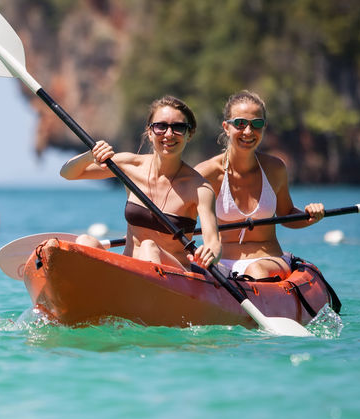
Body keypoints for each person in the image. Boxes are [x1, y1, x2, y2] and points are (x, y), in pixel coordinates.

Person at [60, 95, 221, 271]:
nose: (168, 134)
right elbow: (68, 173)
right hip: (129, 269)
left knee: (149, 247)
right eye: (161, 126)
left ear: (189, 134)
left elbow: (213, 242)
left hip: (174, 276)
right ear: (150, 132)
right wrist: (90, 155)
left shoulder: (199, 188)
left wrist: (210, 252)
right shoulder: (130, 166)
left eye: (178, 127)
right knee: (85, 241)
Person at [195, 90, 325, 280]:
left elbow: (287, 214)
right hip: (221, 264)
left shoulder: (275, 169)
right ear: (226, 127)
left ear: (263, 128)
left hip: (268, 261)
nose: (248, 131)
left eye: (256, 124)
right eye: (240, 123)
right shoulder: (207, 173)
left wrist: (310, 216)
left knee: (256, 270)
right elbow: (180, 218)